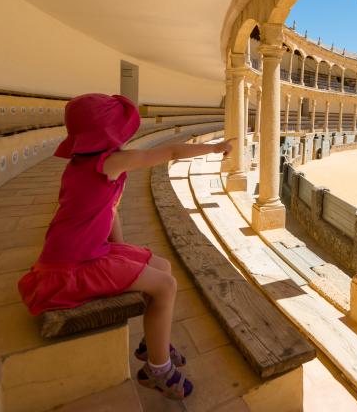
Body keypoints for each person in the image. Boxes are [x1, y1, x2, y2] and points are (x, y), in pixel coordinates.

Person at [17, 93, 234, 400]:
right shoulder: (110, 162)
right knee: (166, 286)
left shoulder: (80, 163)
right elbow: (171, 151)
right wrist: (215, 147)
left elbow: (109, 209)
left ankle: (152, 342)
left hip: (82, 252)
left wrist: (122, 252)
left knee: (161, 266)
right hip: (72, 267)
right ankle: (158, 370)